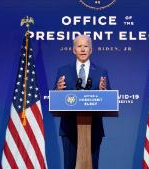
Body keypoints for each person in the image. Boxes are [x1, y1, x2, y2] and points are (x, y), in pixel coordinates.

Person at [55, 35, 110, 169]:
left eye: (86, 46)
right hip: (69, 129)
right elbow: (55, 99)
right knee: (69, 166)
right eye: (79, 46)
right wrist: (58, 90)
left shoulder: (101, 72)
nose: (83, 49)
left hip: (94, 128)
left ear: (91, 50)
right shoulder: (63, 71)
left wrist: (104, 91)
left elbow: (109, 100)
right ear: (74, 50)